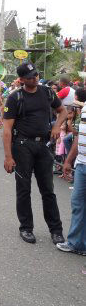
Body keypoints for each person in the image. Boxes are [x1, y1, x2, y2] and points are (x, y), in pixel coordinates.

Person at [2, 62, 67, 245]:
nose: (35, 78)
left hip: (44, 146)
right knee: (24, 190)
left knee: (48, 190)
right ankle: (26, 228)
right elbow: (7, 130)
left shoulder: (47, 92)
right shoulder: (15, 98)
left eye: (36, 75)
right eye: (30, 77)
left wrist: (56, 126)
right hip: (22, 147)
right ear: (22, 80)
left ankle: (56, 230)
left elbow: (63, 111)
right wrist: (8, 157)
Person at [57, 87, 86, 255]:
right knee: (78, 204)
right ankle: (76, 243)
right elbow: (79, 137)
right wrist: (68, 160)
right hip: (81, 164)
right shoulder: (83, 110)